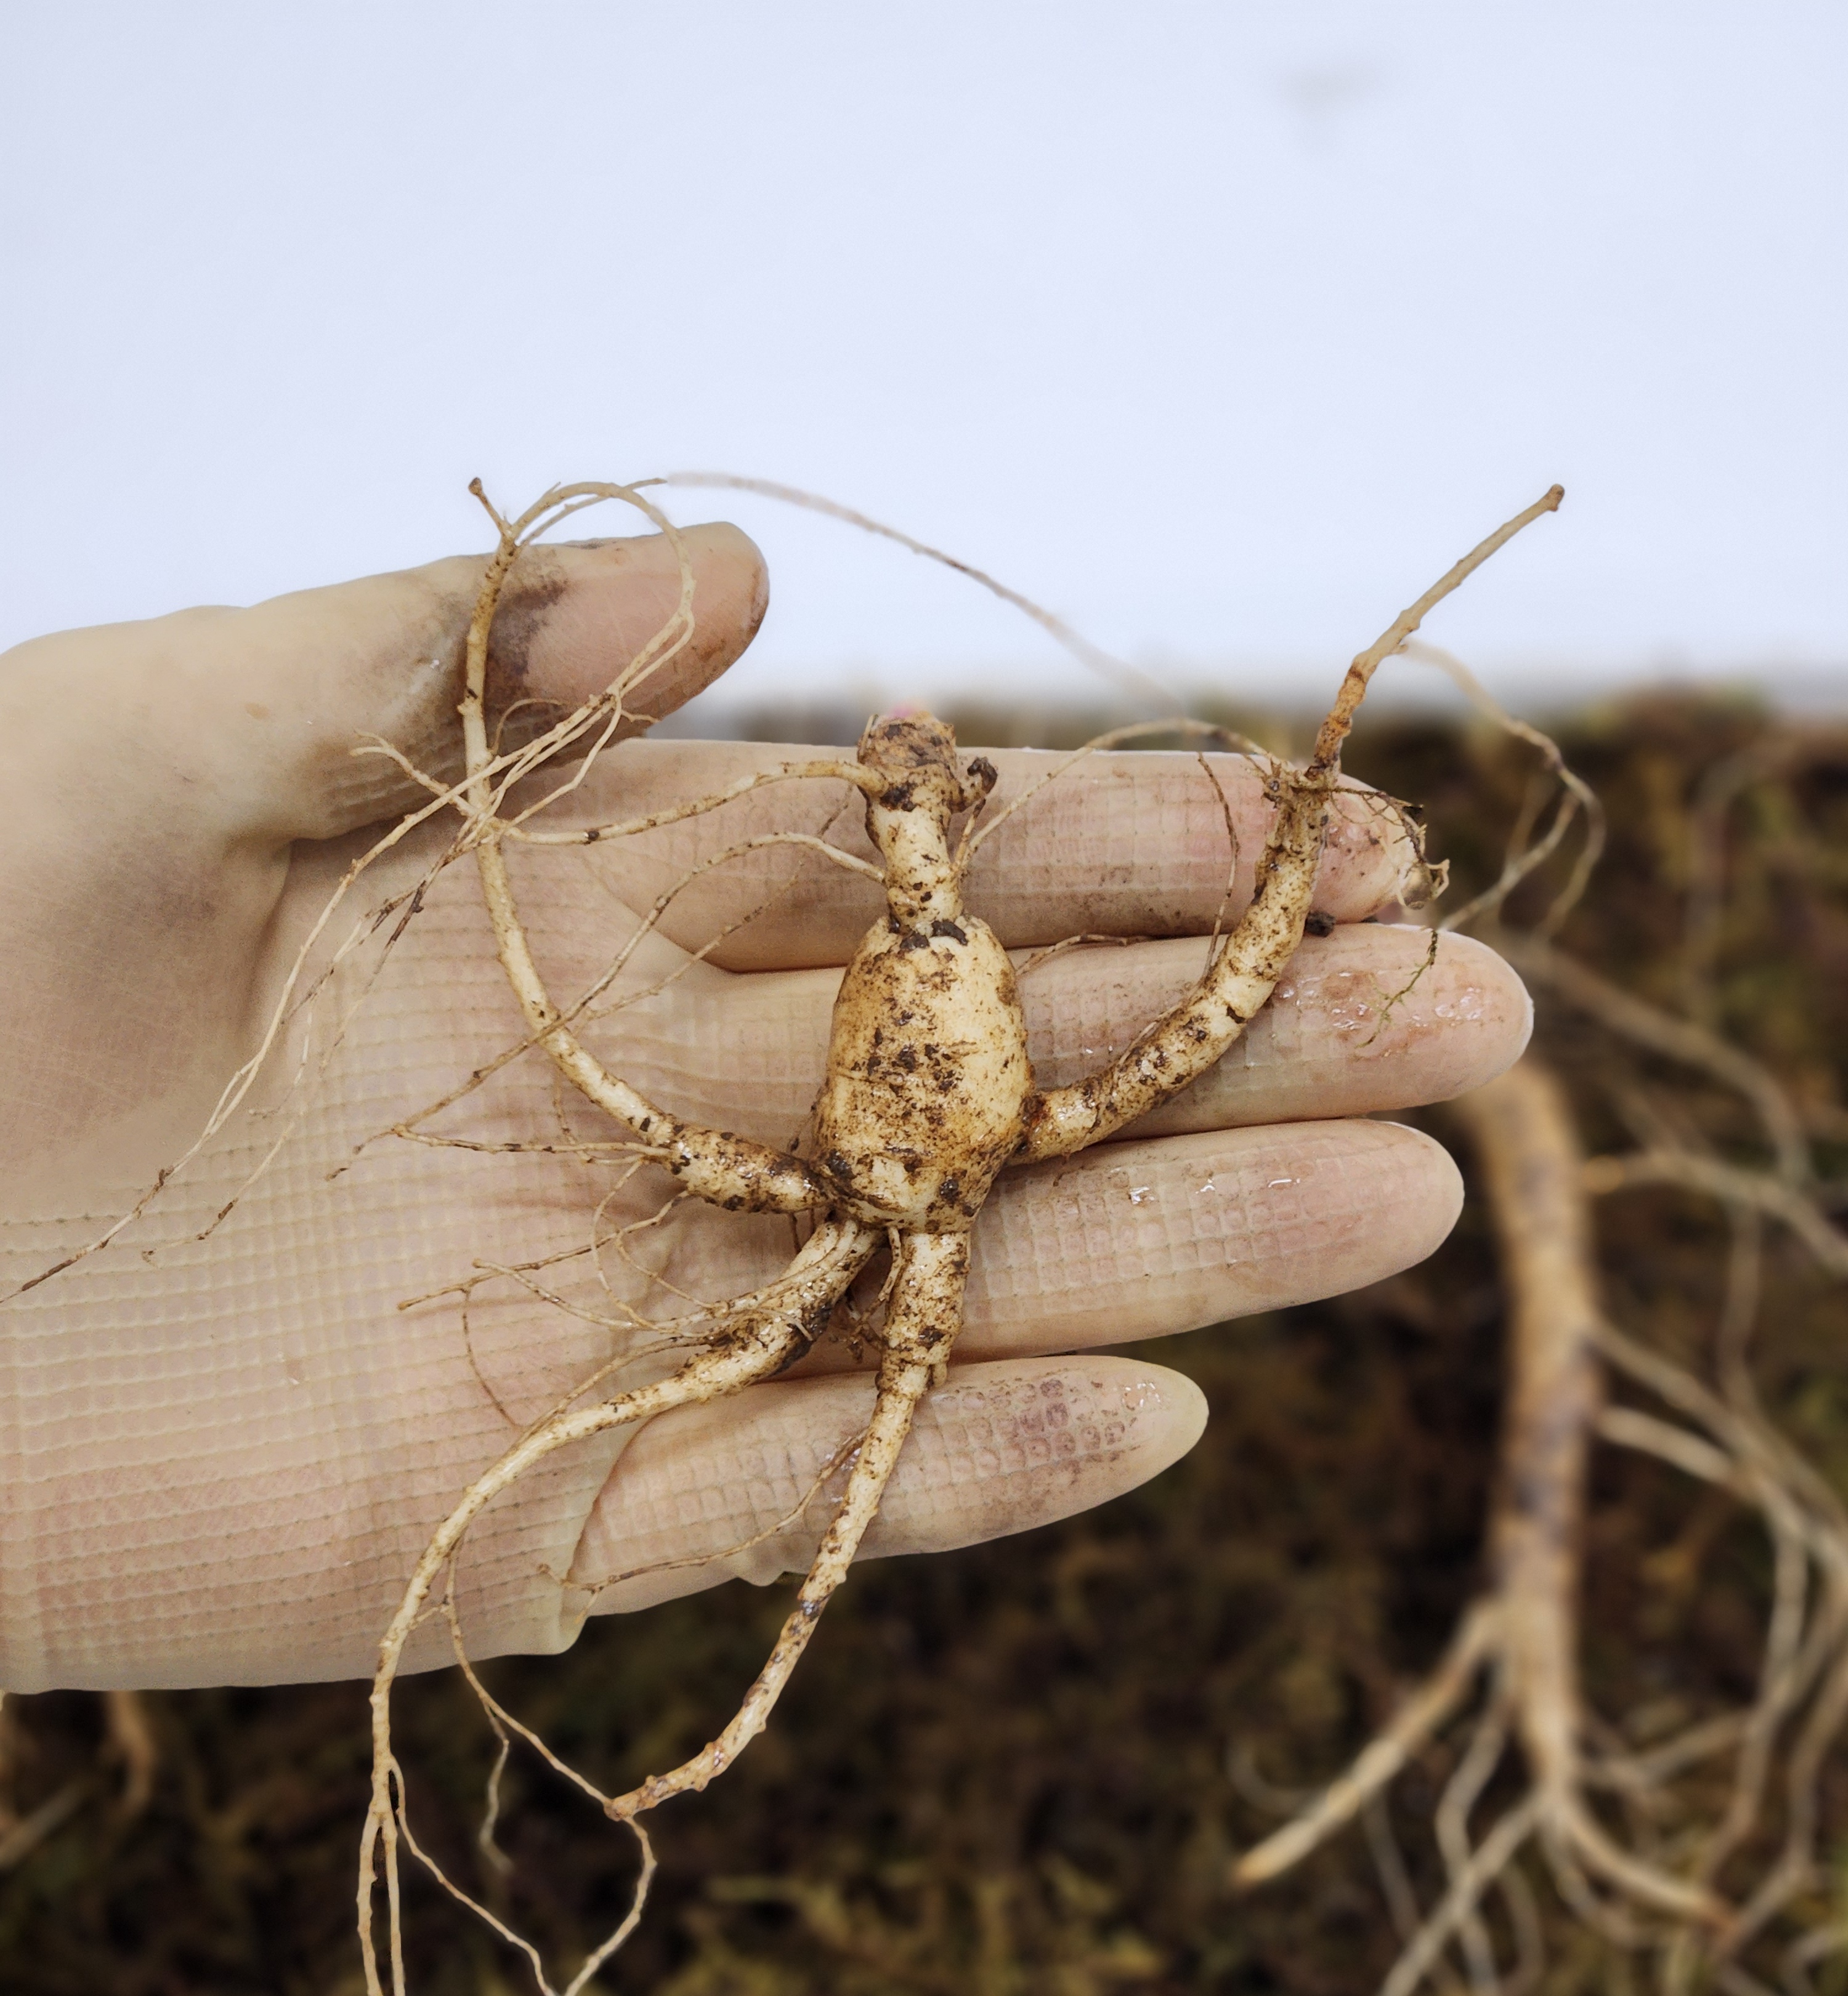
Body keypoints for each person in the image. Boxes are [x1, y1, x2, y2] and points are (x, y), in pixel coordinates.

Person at [0, 524, 1528, 1693]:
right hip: (888, 1173)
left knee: (812, 1403)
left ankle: (750, 1700)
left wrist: (1322, 774)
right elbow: (1186, 1030)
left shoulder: (951, 988)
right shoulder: (931, 977)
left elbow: (1205, 1021)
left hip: (906, 1172)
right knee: (721, 1314)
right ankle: (744, 1702)